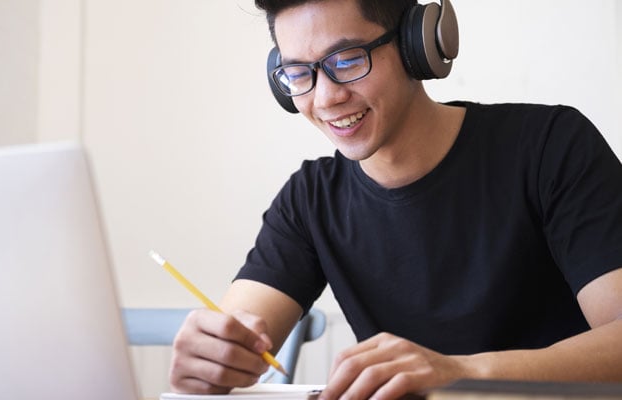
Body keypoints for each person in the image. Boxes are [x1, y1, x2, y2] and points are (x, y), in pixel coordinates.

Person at [168, 0, 622, 399]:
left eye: (346, 59)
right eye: (298, 73)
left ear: (417, 45)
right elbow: (239, 332)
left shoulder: (550, 147)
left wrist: (462, 374)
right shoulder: (309, 200)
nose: (325, 98)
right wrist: (208, 362)